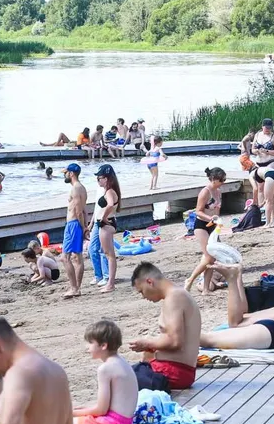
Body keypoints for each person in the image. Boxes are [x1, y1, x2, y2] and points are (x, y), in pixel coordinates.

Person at [127, 262, 201, 391]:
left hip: (174, 372)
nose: (143, 296)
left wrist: (147, 343)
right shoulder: (176, 295)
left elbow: (174, 342)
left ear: (150, 282)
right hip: (176, 370)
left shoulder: (174, 298)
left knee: (118, 379)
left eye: (142, 291)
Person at [72, 319, 138, 424]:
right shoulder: (122, 361)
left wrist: (72, 413)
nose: (87, 347)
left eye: (91, 342)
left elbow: (101, 410)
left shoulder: (105, 369)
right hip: (124, 423)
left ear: (103, 345)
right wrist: (84, 411)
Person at [183, 168, 227, 293]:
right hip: (201, 225)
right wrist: (211, 219)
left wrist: (217, 223)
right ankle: (190, 280)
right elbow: (198, 211)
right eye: (221, 180)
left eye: (224, 179)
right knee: (209, 257)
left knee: (213, 257)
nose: (223, 182)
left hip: (213, 225)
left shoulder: (218, 192)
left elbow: (217, 210)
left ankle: (206, 289)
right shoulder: (205, 192)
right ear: (214, 179)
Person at [91, 164, 121, 293]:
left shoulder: (109, 191)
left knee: (109, 255)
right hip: (105, 224)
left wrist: (103, 217)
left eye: (100, 178)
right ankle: (109, 283)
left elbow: (109, 205)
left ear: (107, 178)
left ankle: (110, 283)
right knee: (107, 253)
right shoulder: (110, 190)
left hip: (106, 224)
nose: (98, 180)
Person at [61, 163, 88, 297]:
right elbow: (84, 210)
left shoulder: (75, 189)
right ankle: (76, 287)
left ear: (71, 173)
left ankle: (74, 288)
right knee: (77, 257)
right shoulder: (82, 188)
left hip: (73, 224)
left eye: (65, 173)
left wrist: (83, 227)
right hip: (77, 224)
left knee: (65, 257)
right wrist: (86, 226)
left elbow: (78, 211)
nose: (64, 175)